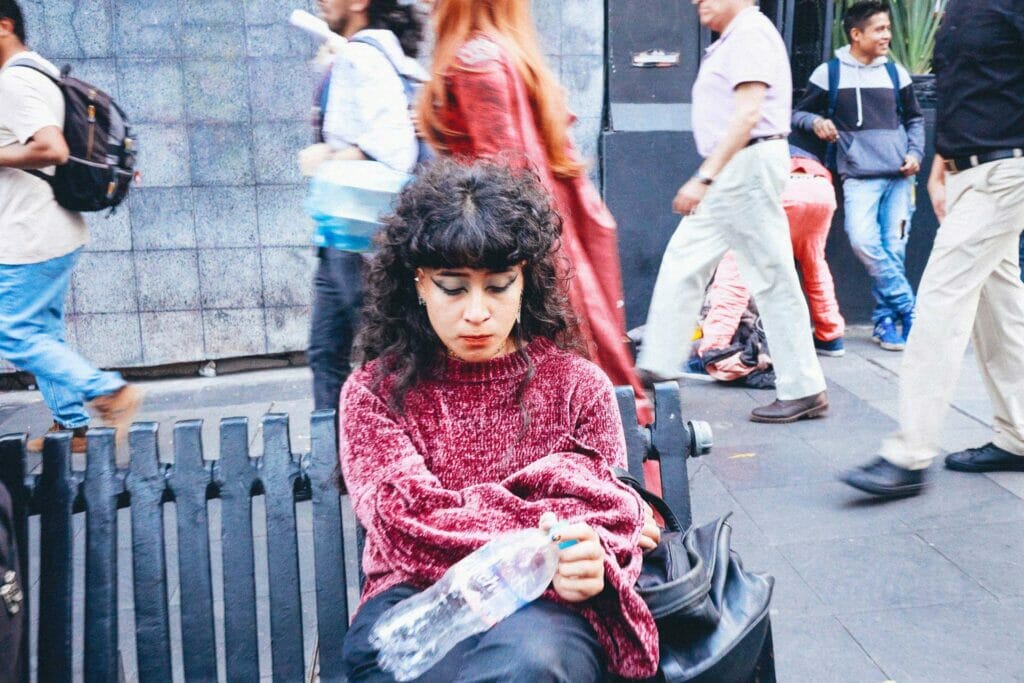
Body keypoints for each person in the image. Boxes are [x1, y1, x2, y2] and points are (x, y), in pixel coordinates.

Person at [338, 159, 660, 681]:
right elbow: (409, 528)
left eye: (498, 285)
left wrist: (588, 561)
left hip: (547, 615)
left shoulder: (578, 386)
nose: (477, 312)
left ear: (525, 281)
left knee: (530, 664)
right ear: (418, 282)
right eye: (453, 287)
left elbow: (614, 525)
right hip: (413, 600)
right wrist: (551, 526)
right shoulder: (375, 393)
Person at [415, 0, 653, 425]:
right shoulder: (503, 54)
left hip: (493, 262)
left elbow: (504, 190)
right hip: (534, 258)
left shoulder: (476, 61)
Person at [842, 0, 1024, 498]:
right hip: (970, 171)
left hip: (1007, 174)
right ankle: (1020, 435)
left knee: (941, 302)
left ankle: (909, 452)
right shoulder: (960, 11)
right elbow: (965, 90)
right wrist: (944, 161)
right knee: (1001, 311)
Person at [637, 0, 828, 424]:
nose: (697, 1)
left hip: (746, 163)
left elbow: (747, 115)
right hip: (737, 166)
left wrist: (704, 177)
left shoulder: (750, 34)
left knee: (770, 275)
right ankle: (659, 363)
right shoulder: (735, 38)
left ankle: (804, 387)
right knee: (686, 260)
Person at [0, 0, 139, 454]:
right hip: (52, 227)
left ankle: (110, 391)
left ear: (4, 27)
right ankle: (74, 427)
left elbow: (53, 149)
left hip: (30, 232)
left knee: (15, 334)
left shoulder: (15, 81)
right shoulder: (37, 70)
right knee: (42, 332)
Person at [298, 0, 427, 412]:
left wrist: (327, 158)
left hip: (360, 235)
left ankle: (387, 456)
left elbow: (393, 147)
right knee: (326, 353)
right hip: (343, 233)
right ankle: (340, 465)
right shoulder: (363, 52)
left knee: (382, 356)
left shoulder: (364, 56)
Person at [793, 0, 925, 352]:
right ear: (856, 34)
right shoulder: (829, 74)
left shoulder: (897, 74)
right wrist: (816, 121)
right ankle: (909, 308)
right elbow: (798, 114)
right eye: (879, 29)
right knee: (863, 241)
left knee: (894, 248)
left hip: (900, 178)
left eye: (888, 28)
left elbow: (914, 119)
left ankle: (887, 322)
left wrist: (915, 153)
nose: (887, 35)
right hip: (858, 177)